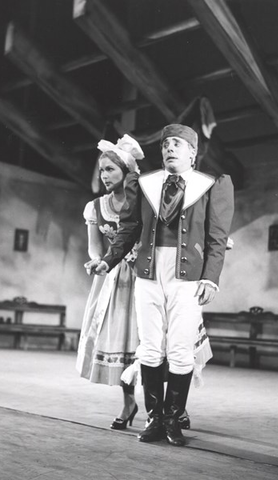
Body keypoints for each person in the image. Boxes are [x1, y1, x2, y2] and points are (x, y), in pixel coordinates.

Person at [91, 124, 234, 447]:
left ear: (192, 152)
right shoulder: (144, 183)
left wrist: (211, 278)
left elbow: (217, 237)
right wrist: (109, 259)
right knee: (151, 348)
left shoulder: (213, 185)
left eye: (177, 144)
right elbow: (129, 228)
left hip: (189, 277)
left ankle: (173, 419)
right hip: (149, 272)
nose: (170, 148)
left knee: (181, 349)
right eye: (166, 144)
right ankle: (154, 418)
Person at [76, 134, 144, 430]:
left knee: (152, 341)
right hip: (113, 278)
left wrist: (135, 254)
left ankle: (170, 406)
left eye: (110, 170)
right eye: (102, 170)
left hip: (144, 275)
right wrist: (98, 259)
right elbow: (94, 245)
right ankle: (129, 402)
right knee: (121, 341)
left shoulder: (143, 201)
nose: (104, 176)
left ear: (127, 172)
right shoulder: (96, 206)